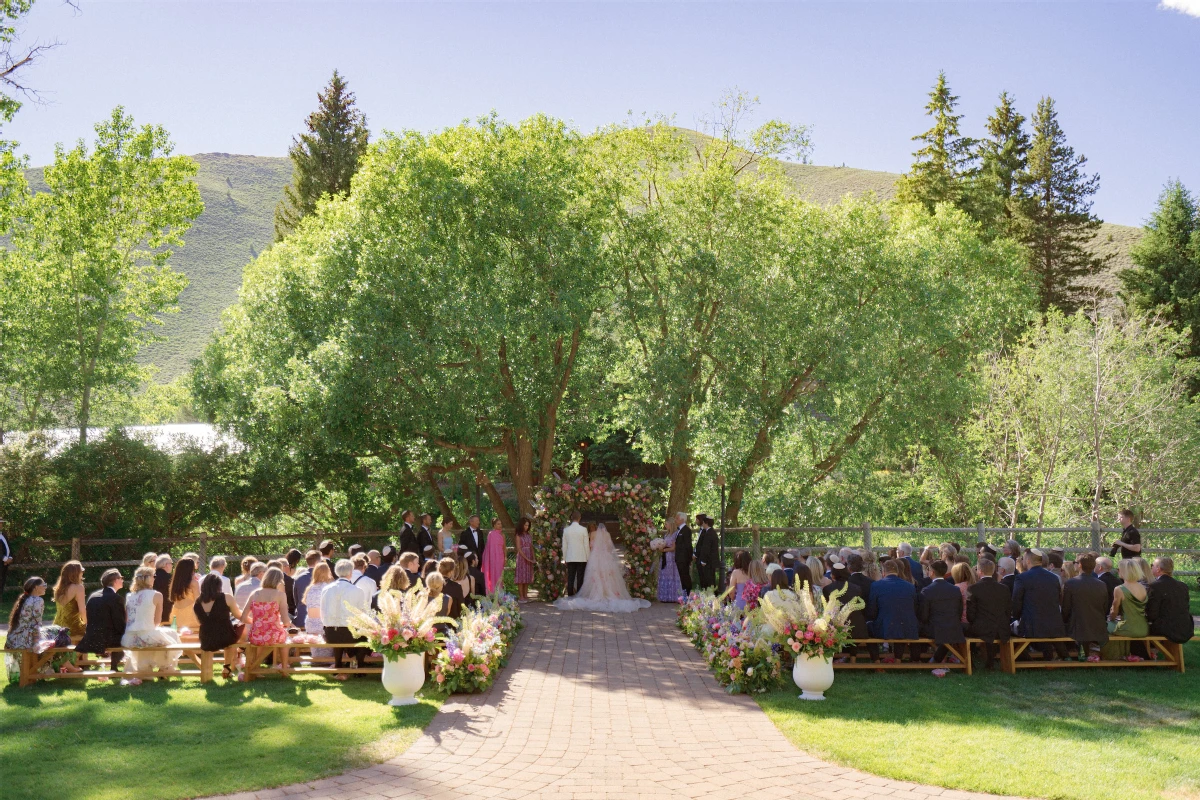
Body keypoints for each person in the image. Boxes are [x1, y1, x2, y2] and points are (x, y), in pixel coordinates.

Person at [121, 566, 182, 683]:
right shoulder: (157, 595)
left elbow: (128, 619)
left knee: (164, 635)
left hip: (129, 637)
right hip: (146, 635)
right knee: (171, 635)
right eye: (153, 576)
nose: (155, 579)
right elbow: (157, 621)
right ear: (147, 579)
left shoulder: (129, 596)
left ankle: (150, 670)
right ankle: (164, 669)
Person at [1012, 549, 1069, 661]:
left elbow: (1016, 601)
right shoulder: (1053, 578)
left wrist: (1015, 618)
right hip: (1053, 625)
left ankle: (1025, 660)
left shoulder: (1022, 578)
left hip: (1031, 626)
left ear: (1028, 561)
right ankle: (1057, 657)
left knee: (1009, 632)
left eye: (1023, 559)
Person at [320, 560, 369, 680]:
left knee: (340, 631)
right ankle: (360, 666)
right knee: (365, 635)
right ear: (350, 573)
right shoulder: (357, 590)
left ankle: (338, 663)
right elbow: (362, 614)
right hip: (350, 634)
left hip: (330, 633)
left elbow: (322, 612)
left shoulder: (326, 589)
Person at [194, 573, 245, 679]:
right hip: (226, 637)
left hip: (206, 639)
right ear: (219, 586)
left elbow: (199, 622)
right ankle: (227, 666)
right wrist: (251, 620)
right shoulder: (227, 597)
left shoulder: (197, 602)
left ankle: (222, 667)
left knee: (227, 637)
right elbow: (239, 615)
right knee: (235, 634)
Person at [866, 560, 921, 661]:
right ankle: (898, 659)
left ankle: (876, 661)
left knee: (868, 627)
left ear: (883, 572)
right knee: (899, 623)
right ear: (898, 571)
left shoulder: (876, 585)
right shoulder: (910, 586)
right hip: (908, 628)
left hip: (885, 628)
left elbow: (872, 611)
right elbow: (915, 608)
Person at [76, 569, 127, 673]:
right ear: (115, 581)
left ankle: (113, 666)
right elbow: (119, 623)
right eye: (121, 578)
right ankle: (114, 667)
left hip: (91, 637)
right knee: (125, 636)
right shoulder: (116, 598)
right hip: (107, 639)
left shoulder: (93, 596)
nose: (122, 580)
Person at [1061, 552, 1109, 660]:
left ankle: (1067, 655)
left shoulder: (1071, 583)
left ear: (1080, 565)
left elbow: (1066, 609)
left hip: (1077, 627)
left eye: (1075, 562)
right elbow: (1104, 607)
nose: (1074, 564)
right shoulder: (1102, 584)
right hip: (1098, 625)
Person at [1101, 559, 1150, 660]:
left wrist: (1111, 619)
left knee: (1105, 627)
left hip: (1127, 627)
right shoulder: (1143, 588)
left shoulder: (1119, 589)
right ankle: (1126, 654)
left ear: (1124, 571)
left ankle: (1112, 656)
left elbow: (1114, 611)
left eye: (1118, 569)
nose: (1117, 571)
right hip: (1143, 628)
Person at [823, 562, 873, 661]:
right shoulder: (857, 588)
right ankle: (852, 658)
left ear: (833, 575)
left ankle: (834, 657)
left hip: (835, 627)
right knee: (853, 621)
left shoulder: (827, 589)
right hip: (857, 628)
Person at [966, 559, 1011, 670]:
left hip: (982, 628)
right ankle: (989, 660)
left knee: (964, 629)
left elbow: (970, 614)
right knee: (990, 626)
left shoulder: (973, 588)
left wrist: (975, 623)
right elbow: (1008, 611)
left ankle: (970, 661)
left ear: (980, 571)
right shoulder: (1004, 588)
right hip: (1002, 628)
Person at [919, 561, 965, 663]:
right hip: (954, 628)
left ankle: (922, 658)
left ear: (932, 572)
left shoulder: (927, 591)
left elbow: (924, 616)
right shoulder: (955, 589)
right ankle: (937, 658)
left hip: (934, 629)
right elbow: (959, 611)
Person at [1145, 557, 1193, 643]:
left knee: (1138, 630)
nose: (1151, 567)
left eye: (1152, 565)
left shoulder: (1155, 586)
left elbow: (1151, 614)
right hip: (1185, 628)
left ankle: (1145, 654)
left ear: (1158, 569)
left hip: (1167, 629)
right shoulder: (1183, 586)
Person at [245, 566, 291, 646]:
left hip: (255, 636)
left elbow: (243, 618)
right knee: (287, 639)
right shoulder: (280, 595)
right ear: (280, 580)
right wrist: (288, 624)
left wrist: (259, 622)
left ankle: (259, 659)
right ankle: (283, 659)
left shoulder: (254, 594)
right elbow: (285, 621)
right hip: (273, 636)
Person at [303, 562, 334, 659]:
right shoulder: (328, 588)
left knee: (316, 649)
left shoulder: (310, 588)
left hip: (310, 623)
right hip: (322, 623)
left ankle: (316, 660)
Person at [52, 560, 88, 638]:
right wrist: (87, 624)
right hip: (72, 628)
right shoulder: (78, 587)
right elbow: (82, 611)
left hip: (57, 627)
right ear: (75, 573)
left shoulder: (59, 588)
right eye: (81, 571)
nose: (82, 573)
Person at [168, 556, 203, 635]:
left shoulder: (175, 583)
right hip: (190, 615)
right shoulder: (193, 583)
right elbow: (199, 601)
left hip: (176, 615)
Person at [655, 518, 685, 604]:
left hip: (671, 557)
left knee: (672, 575)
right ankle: (665, 596)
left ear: (671, 525)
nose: (665, 525)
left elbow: (673, 548)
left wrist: (664, 550)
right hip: (665, 557)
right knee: (664, 574)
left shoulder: (675, 534)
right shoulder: (666, 534)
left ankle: (674, 596)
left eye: (666, 524)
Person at [563, 511, 590, 597]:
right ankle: (579, 595)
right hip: (581, 557)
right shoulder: (583, 530)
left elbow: (564, 546)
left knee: (570, 577)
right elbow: (586, 545)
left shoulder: (566, 530)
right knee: (580, 577)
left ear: (571, 518)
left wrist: (565, 558)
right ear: (580, 518)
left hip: (570, 557)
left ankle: (570, 595)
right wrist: (588, 557)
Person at [292, 550, 320, 628]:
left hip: (301, 620)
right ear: (318, 562)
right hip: (318, 622)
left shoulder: (298, 579)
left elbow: (296, 600)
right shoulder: (323, 579)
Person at [693, 514, 720, 590]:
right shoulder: (710, 532)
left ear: (706, 523)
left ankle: (710, 596)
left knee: (709, 581)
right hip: (709, 561)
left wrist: (703, 561)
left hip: (708, 562)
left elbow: (707, 548)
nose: (703, 524)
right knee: (707, 580)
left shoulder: (709, 533)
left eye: (704, 523)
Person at [482, 518, 506, 595]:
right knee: (493, 574)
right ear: (494, 525)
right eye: (498, 524)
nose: (500, 525)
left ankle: (500, 594)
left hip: (500, 557)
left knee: (499, 575)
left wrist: (505, 557)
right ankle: (492, 592)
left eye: (501, 524)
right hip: (492, 558)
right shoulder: (491, 534)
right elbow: (488, 548)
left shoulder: (502, 535)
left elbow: (504, 547)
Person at [513, 517, 535, 601]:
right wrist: (526, 558)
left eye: (528, 525)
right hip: (522, 558)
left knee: (527, 577)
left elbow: (531, 547)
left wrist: (533, 557)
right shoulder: (518, 535)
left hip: (529, 555)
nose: (526, 527)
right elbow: (519, 548)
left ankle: (526, 595)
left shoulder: (528, 535)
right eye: (525, 525)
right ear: (521, 525)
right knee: (521, 577)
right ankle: (521, 596)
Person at [152, 553, 174, 625]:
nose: (172, 565)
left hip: (153, 610)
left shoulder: (151, 577)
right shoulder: (170, 578)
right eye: (171, 563)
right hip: (167, 610)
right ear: (166, 565)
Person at [0, 516, 12, 600]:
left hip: (4, 565)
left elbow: (9, 547)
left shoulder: (3, 535)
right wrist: (4, 559)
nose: (1, 525)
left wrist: (10, 557)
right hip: (2, 562)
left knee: (1, 583)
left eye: (1, 523)